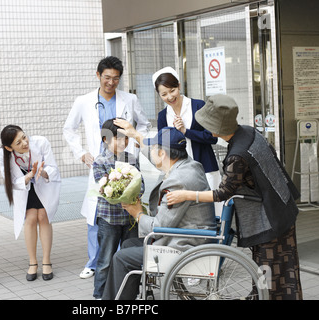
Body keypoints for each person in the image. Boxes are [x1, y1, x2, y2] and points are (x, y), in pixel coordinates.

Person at [166, 94, 303, 300]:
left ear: (216, 128)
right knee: (285, 272)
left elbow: (222, 193)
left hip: (269, 220)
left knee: (268, 277)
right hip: (282, 208)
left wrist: (186, 195)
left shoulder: (237, 156)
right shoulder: (249, 132)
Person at [102, 127, 216, 300]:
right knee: (128, 245)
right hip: (194, 236)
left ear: (162, 153)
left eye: (153, 148)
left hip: (184, 245)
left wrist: (137, 213)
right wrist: (136, 135)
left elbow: (160, 227)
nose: (151, 152)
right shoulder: (190, 165)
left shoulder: (178, 180)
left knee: (120, 257)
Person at [63, 56, 150, 279]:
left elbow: (144, 124)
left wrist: (136, 147)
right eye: (107, 77)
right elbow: (69, 129)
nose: (111, 82)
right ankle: (93, 262)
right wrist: (81, 153)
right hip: (99, 162)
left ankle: (120, 261)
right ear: (98, 75)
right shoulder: (83, 101)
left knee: (125, 208)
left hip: (124, 159)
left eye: (116, 78)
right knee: (98, 212)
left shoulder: (130, 99)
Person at [153, 67, 222, 214]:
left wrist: (186, 131)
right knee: (188, 216)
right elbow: (162, 148)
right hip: (178, 174)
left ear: (179, 85)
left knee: (213, 212)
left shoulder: (198, 106)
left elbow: (212, 137)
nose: (170, 97)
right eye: (164, 94)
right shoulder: (163, 116)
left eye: (172, 90)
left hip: (205, 168)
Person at [0, 125, 60, 281]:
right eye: (18, 143)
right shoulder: (3, 154)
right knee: (31, 218)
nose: (24, 143)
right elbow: (12, 181)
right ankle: (33, 262)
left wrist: (42, 172)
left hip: (43, 181)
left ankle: (47, 261)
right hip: (25, 185)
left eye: (24, 137)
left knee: (43, 217)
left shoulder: (41, 142)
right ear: (8, 147)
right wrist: (28, 176)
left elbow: (52, 167)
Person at [92, 119, 144, 299]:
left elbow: (141, 184)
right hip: (109, 219)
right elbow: (102, 187)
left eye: (125, 138)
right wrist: (120, 189)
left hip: (130, 219)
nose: (123, 142)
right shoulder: (100, 161)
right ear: (105, 139)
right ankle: (100, 295)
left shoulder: (132, 158)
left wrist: (136, 189)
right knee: (106, 260)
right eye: (117, 138)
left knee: (130, 258)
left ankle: (130, 294)